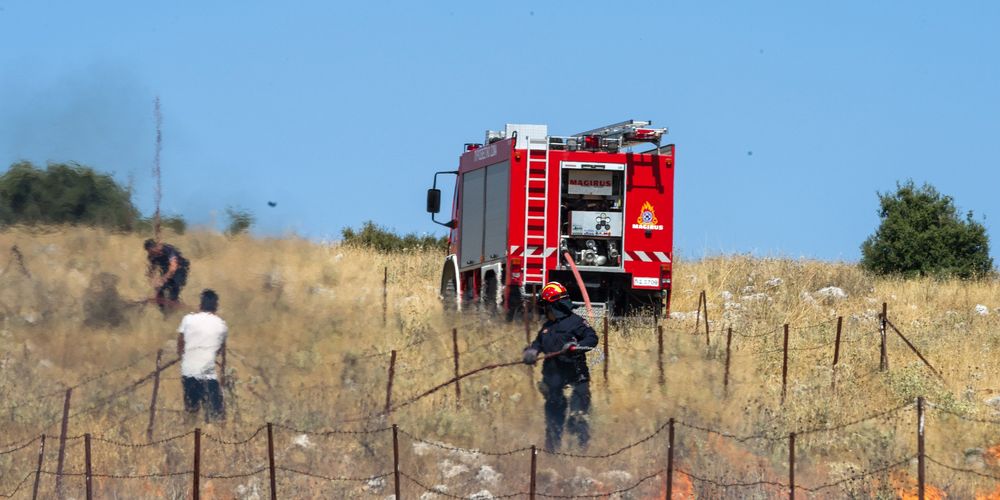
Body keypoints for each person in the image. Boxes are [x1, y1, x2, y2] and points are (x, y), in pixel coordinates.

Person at [522, 282, 599, 452]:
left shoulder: (576, 322)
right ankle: (552, 454)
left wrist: (576, 347)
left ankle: (582, 453)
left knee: (578, 417)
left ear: (553, 305)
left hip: (577, 377)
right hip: (553, 379)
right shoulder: (547, 328)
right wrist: (531, 351)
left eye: (545, 306)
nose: (544, 311)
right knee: (553, 418)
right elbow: (537, 343)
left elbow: (592, 338)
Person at [177, 289, 228, 422]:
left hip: (188, 371)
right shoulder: (221, 325)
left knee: (191, 410)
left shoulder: (187, 319)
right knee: (216, 414)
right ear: (216, 306)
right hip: (207, 374)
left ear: (200, 304)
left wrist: (186, 356)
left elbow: (180, 344)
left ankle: (190, 434)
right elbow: (219, 350)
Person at [144, 238, 190, 309]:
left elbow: (173, 267)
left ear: (155, 247)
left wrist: (163, 279)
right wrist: (154, 282)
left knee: (173, 289)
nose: (150, 254)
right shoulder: (151, 256)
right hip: (167, 272)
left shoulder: (168, 250)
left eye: (151, 251)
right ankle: (163, 312)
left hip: (180, 270)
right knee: (159, 291)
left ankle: (175, 308)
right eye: (149, 252)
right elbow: (151, 271)